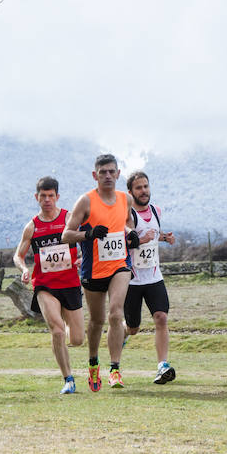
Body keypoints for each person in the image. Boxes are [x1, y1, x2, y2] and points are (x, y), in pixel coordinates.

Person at [62, 154, 138, 391]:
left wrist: (130, 233)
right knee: (97, 320)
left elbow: (127, 223)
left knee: (116, 314)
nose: (107, 175)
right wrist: (89, 234)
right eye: (102, 172)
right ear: (95, 175)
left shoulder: (126, 199)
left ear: (118, 174)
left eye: (111, 171)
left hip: (119, 265)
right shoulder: (85, 201)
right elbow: (66, 235)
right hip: (93, 269)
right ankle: (93, 362)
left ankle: (115, 369)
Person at [13, 176, 85, 394]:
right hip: (45, 285)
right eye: (42, 196)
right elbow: (18, 255)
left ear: (57, 197)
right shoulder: (32, 227)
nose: (47, 200)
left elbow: (87, 241)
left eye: (50, 196)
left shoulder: (69, 219)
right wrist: (24, 270)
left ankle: (64, 338)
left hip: (70, 283)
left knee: (78, 339)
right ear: (36, 197)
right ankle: (68, 379)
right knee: (56, 329)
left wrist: (83, 258)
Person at [124, 171, 177, 384]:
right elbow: (121, 242)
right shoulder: (127, 215)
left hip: (154, 277)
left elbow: (153, 234)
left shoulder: (156, 211)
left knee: (161, 318)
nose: (144, 191)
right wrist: (138, 240)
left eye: (146, 186)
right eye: (139, 188)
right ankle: (122, 336)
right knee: (133, 327)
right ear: (130, 192)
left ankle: (162, 366)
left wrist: (164, 237)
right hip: (131, 281)